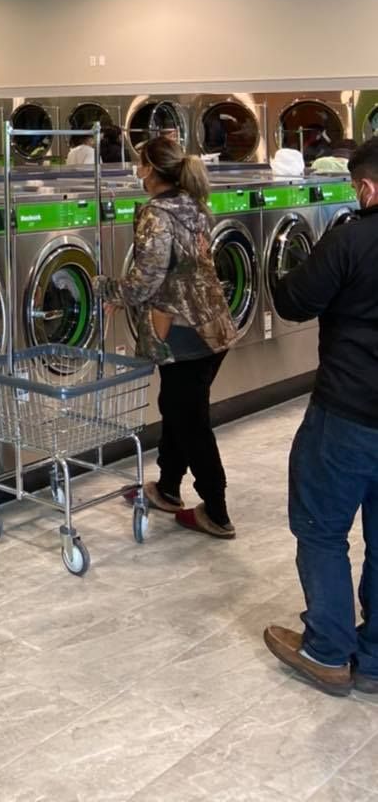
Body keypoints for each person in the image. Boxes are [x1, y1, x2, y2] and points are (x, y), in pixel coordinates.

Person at [263, 138, 378, 698]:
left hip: (348, 413)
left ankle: (329, 652)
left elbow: (293, 302)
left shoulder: (350, 239)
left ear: (367, 187)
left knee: (321, 527)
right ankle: (376, 658)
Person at [98, 137, 238, 538]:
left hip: (183, 333)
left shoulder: (155, 214)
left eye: (140, 164)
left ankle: (217, 509)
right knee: (179, 407)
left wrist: (107, 289)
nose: (137, 172)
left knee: (191, 419)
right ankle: (168, 487)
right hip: (215, 328)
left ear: (151, 169)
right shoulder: (192, 204)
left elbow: (145, 280)